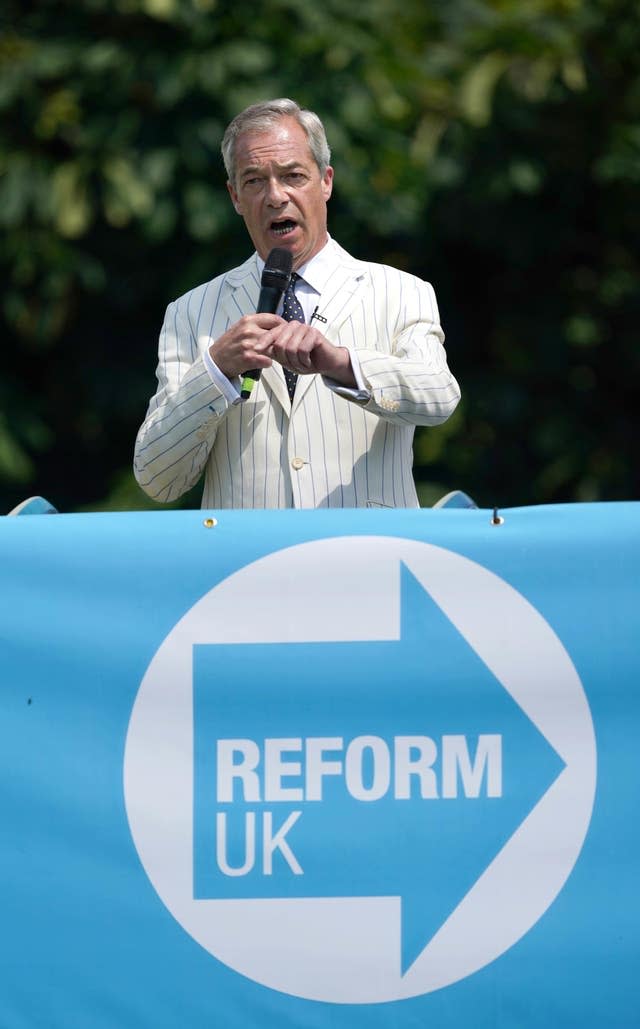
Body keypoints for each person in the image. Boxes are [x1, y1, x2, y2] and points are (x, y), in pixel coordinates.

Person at [134, 98, 460, 509]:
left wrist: (339, 362)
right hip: (248, 567)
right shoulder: (191, 312)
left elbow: (440, 398)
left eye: (293, 176)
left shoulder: (400, 291)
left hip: (368, 560)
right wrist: (215, 371)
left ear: (325, 181)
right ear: (234, 196)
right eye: (254, 181)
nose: (275, 196)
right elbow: (157, 479)